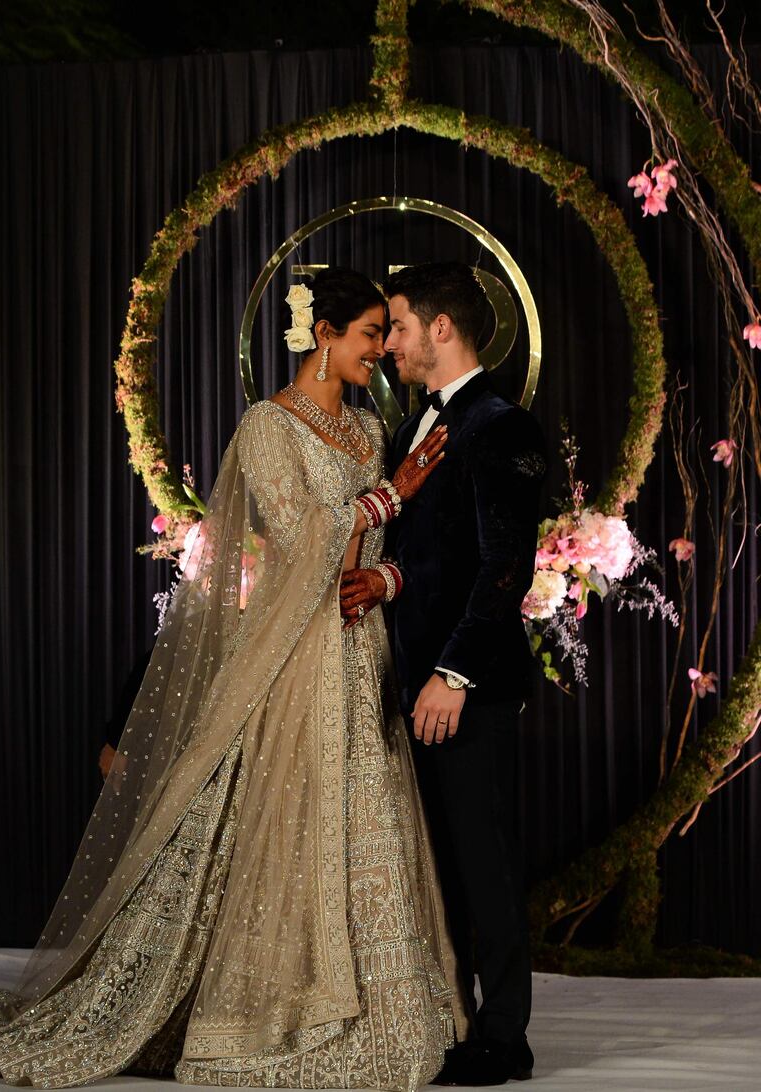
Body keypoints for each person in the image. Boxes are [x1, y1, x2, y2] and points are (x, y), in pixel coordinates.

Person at [0, 268, 468, 1090]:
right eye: (372, 333)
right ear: (326, 335)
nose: (382, 349)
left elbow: (370, 557)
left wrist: (386, 565)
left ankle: (387, 1012)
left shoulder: (371, 430)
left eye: (386, 333)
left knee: (370, 817)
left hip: (360, 647)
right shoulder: (269, 427)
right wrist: (387, 501)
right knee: (293, 819)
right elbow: (302, 542)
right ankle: (278, 1009)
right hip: (296, 656)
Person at [341, 262, 546, 1086]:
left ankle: (505, 1038)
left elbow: (505, 569)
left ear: (441, 329)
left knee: (483, 861)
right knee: (447, 863)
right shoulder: (421, 426)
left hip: (468, 690)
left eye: (396, 326)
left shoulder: (501, 426)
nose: (388, 342)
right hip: (413, 682)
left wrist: (452, 674)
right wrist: (387, 582)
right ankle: (463, 1020)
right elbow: (432, 556)